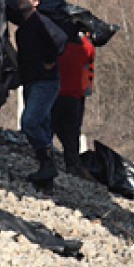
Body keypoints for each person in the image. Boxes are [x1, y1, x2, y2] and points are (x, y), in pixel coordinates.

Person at [15, 0, 67, 184]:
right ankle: (46, 177)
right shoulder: (23, 29)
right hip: (31, 81)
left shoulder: (41, 22)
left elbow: (60, 39)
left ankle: (47, 165)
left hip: (45, 81)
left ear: (36, 2)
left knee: (29, 122)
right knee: (42, 126)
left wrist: (49, 59)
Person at [51, 31, 95, 179]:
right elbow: (90, 51)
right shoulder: (82, 48)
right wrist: (84, 36)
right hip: (74, 98)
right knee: (71, 134)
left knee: (48, 130)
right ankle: (72, 167)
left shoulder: (55, 46)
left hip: (54, 96)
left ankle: (46, 162)